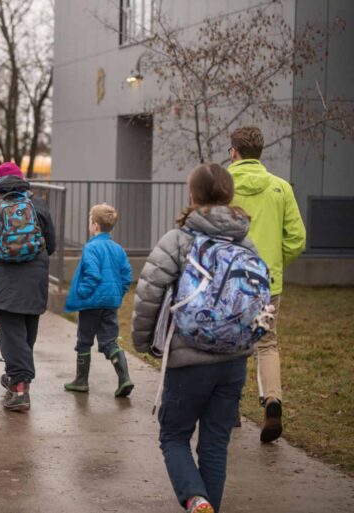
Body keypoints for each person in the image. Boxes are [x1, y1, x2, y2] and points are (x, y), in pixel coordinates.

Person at [132, 163, 257, 513]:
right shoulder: (246, 242)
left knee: (173, 435)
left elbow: (149, 295)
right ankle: (206, 505)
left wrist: (143, 344)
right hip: (234, 359)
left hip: (188, 359)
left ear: (193, 194)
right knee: (215, 444)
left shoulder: (178, 240)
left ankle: (195, 500)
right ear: (229, 195)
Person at [227, 126, 306, 443]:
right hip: (267, 283)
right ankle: (272, 400)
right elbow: (297, 239)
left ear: (234, 152)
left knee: (231, 343)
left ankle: (229, 409)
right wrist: (274, 263)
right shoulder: (281, 188)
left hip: (230, 282)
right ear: (260, 152)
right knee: (267, 343)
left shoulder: (222, 186)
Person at [0, 162, 56, 412]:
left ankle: (19, 389)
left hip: (6, 278)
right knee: (26, 334)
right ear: (21, 179)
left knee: (12, 334)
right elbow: (52, 243)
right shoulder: (36, 203)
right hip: (35, 278)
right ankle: (18, 378)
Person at [63, 203, 133, 397]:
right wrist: (118, 293)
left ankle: (81, 381)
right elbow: (127, 276)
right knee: (110, 340)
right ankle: (124, 378)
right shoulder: (118, 249)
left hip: (91, 303)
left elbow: (92, 275)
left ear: (95, 225)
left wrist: (83, 292)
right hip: (110, 303)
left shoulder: (91, 248)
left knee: (84, 341)